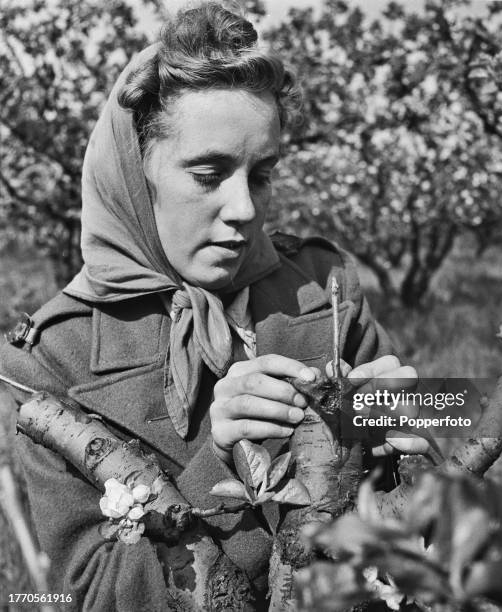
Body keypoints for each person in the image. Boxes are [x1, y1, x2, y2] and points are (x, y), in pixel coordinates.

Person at [0, 3, 424, 610]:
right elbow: (98, 596)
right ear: (134, 175)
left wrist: (419, 429)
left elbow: (414, 524)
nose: (245, 210)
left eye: (260, 174)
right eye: (209, 174)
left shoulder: (320, 288)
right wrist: (222, 466)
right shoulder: (50, 359)